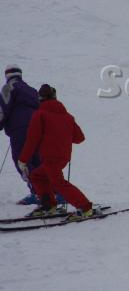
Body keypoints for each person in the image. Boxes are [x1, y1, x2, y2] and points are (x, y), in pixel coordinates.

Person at [18, 84, 95, 220]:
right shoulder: (67, 116)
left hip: (50, 157)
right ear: (55, 97)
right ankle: (48, 205)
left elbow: (32, 139)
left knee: (58, 183)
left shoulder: (40, 114)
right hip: (63, 157)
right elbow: (79, 138)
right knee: (37, 176)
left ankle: (85, 207)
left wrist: (23, 159)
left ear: (40, 98)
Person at [0, 65, 41, 205]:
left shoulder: (8, 88)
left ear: (7, 75)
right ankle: (49, 191)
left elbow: (2, 108)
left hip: (19, 129)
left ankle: (38, 192)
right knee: (37, 159)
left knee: (22, 160)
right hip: (37, 129)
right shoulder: (32, 90)